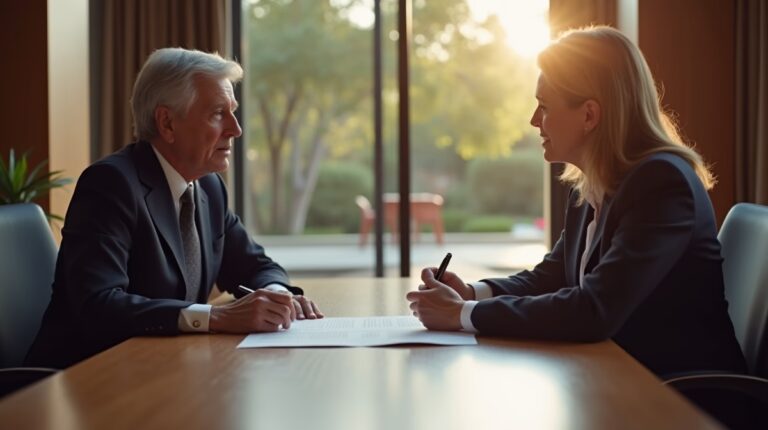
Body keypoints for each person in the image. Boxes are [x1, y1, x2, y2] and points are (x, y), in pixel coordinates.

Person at [406, 26, 746, 377]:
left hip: (680, 398)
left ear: (588, 115)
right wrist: (474, 293)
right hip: (617, 377)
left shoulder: (662, 184)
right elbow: (552, 277)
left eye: (544, 106)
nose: (534, 121)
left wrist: (461, 315)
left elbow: (594, 310)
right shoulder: (592, 183)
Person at [26, 48, 323, 369]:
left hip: (159, 368)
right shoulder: (111, 183)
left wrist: (276, 296)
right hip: (83, 379)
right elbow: (99, 305)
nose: (235, 129)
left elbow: (254, 265)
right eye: (217, 114)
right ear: (167, 123)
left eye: (233, 112)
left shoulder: (208, 187)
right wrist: (217, 317)